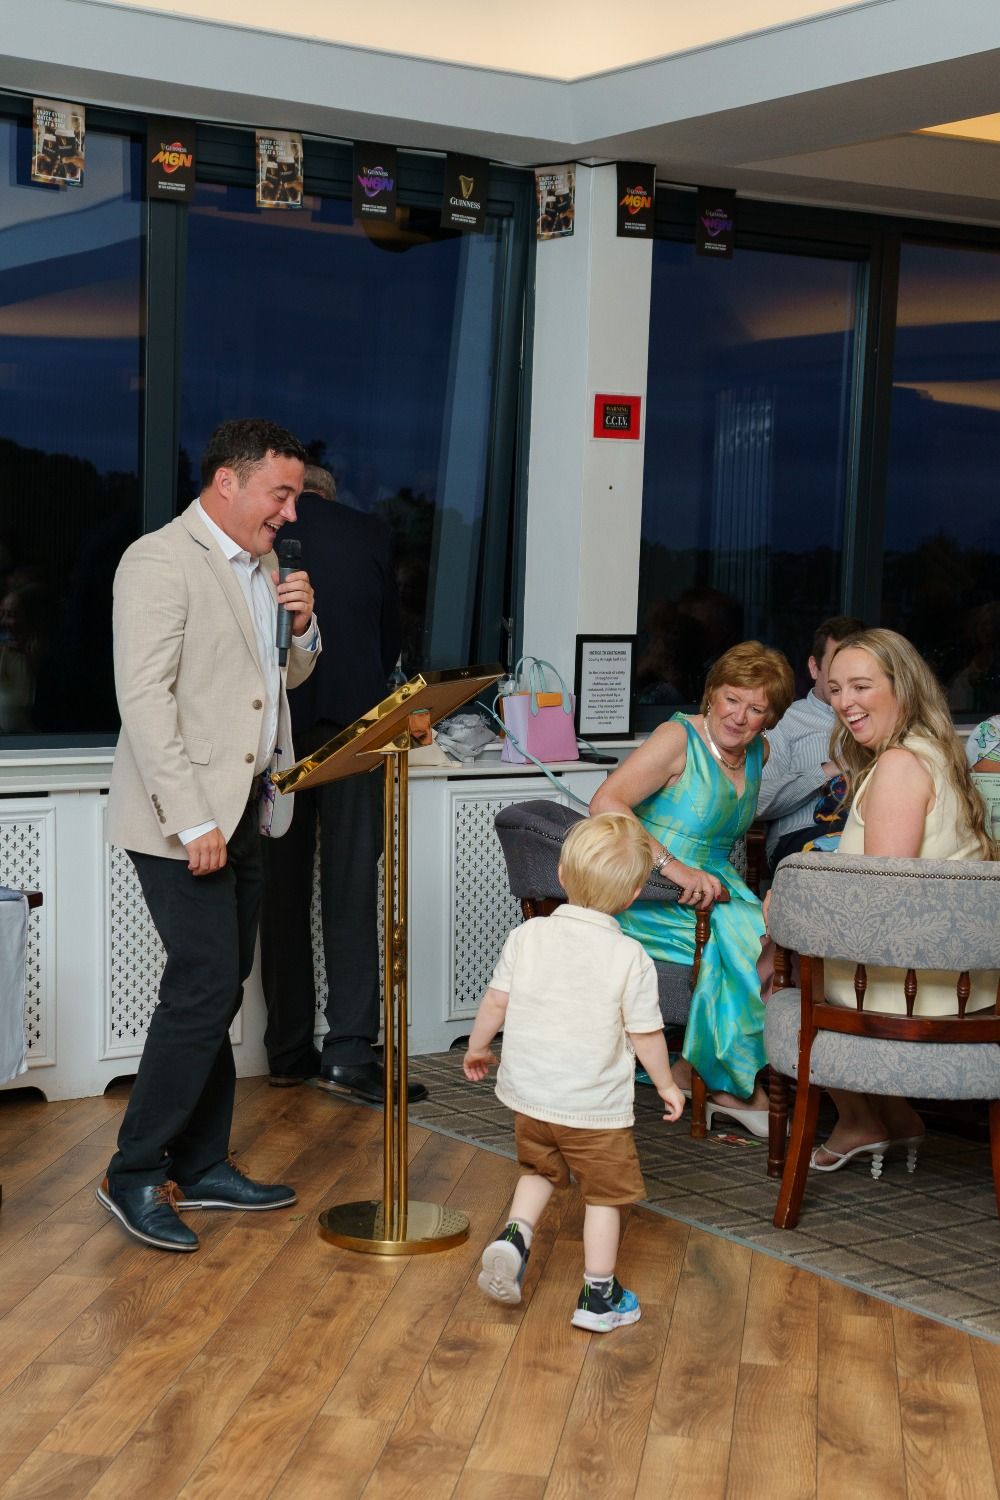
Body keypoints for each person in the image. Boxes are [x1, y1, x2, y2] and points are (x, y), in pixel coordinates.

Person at [99, 418, 320, 1252]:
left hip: (248, 809)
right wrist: (192, 819)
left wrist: (302, 629)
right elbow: (144, 700)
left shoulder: (263, 568)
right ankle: (132, 1173)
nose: (290, 513)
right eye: (280, 494)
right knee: (203, 986)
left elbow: (278, 681)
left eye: (294, 496)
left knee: (222, 989)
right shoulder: (158, 561)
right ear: (228, 482)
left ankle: (199, 1163)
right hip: (182, 821)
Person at [464, 813, 685, 1332]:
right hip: (593, 1110)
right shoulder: (630, 957)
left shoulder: (528, 935)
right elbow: (646, 1034)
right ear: (633, 895)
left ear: (561, 874)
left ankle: (515, 1237)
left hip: (530, 1097)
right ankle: (598, 1296)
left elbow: (496, 1001)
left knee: (538, 1170)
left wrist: (477, 1047)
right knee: (605, 1196)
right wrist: (667, 1084)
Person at [259, 465, 426, 1103]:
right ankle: (350, 1052)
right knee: (351, 887)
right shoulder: (370, 532)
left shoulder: (261, 537)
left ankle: (287, 1049)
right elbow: (387, 645)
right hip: (355, 730)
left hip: (279, 734)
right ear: (329, 495)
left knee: (282, 892)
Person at [806, 628, 1000, 1173]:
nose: (845, 702)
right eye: (836, 689)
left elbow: (882, 901)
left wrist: (792, 913)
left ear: (903, 687)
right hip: (959, 977)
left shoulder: (898, 766)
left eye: (861, 686)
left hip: (917, 986)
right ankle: (897, 1116)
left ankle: (858, 1120)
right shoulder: (936, 754)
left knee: (777, 964)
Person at [591, 641, 795, 1137]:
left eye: (756, 709)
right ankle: (730, 1087)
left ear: (770, 719)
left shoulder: (759, 753)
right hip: (652, 891)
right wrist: (674, 867)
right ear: (711, 694)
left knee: (787, 938)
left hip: (717, 889)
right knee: (748, 942)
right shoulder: (677, 738)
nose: (739, 717)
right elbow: (606, 802)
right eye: (732, 699)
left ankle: (695, 1068)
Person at [756, 615, 865, 872]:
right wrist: (828, 770)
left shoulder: (877, 720)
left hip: (867, 834)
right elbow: (758, 803)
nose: (847, 678)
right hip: (803, 837)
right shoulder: (784, 721)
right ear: (815, 668)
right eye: (837, 665)